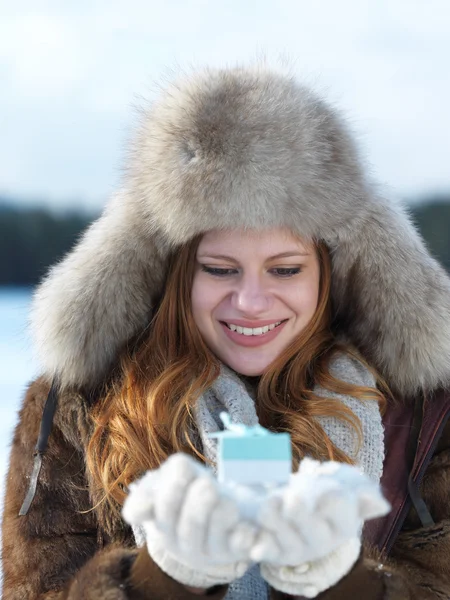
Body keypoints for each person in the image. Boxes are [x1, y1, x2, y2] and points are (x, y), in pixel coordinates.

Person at [2, 65, 450, 600]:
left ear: (330, 275)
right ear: (175, 273)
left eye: (285, 269)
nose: (252, 302)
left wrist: (345, 582)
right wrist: (158, 580)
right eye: (219, 269)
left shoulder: (418, 411)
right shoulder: (85, 406)